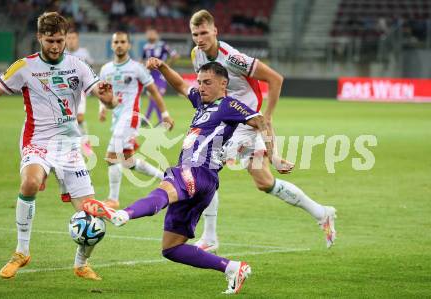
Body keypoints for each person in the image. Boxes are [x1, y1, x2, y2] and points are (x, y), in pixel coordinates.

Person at [83, 59, 286, 294]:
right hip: (203, 182)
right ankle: (232, 267)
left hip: (197, 171)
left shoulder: (230, 105)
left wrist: (275, 157)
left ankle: (122, 214)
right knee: (171, 248)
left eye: (207, 82)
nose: (201, 87)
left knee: (166, 188)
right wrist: (162, 67)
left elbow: (262, 122)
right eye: (199, 82)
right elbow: (180, 85)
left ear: (223, 83)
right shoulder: (201, 102)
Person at [189, 10, 337, 252]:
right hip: (226, 120)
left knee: (205, 165)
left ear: (215, 31)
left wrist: (267, 115)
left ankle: (210, 236)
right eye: (195, 34)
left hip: (244, 121)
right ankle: (322, 212)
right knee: (264, 181)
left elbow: (275, 78)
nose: (199, 38)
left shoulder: (233, 58)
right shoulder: (196, 54)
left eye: (204, 33)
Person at [0, 12, 117, 280]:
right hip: (37, 140)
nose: (56, 46)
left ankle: (81, 263)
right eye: (50, 40)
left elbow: (104, 97)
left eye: (60, 40)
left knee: (92, 215)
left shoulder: (78, 65)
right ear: (39, 38)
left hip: (69, 146)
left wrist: (108, 100)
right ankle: (21, 251)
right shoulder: (23, 66)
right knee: (30, 183)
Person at [99, 31, 174, 209]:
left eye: (123, 42)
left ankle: (113, 199)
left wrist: (164, 114)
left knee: (111, 157)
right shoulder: (105, 69)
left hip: (130, 117)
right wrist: (102, 109)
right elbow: (103, 93)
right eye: (116, 42)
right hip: (116, 119)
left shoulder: (136, 68)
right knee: (126, 160)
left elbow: (154, 91)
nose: (119, 45)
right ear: (112, 45)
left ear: (129, 45)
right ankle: (167, 177)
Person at [65, 29, 95, 156]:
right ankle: (71, 145)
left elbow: (90, 69)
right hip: (64, 92)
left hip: (79, 90)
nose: (71, 41)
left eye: (73, 38)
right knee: (67, 119)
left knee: (80, 117)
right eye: (69, 38)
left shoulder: (83, 53)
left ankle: (86, 141)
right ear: (65, 40)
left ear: (77, 40)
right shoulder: (61, 53)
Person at [141, 27, 179, 126]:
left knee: (156, 96)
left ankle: (147, 118)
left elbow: (175, 55)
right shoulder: (146, 47)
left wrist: (166, 67)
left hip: (160, 74)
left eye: (152, 33)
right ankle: (159, 120)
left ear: (157, 35)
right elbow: (142, 60)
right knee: (153, 97)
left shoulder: (163, 45)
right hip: (150, 75)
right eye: (148, 33)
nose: (150, 35)